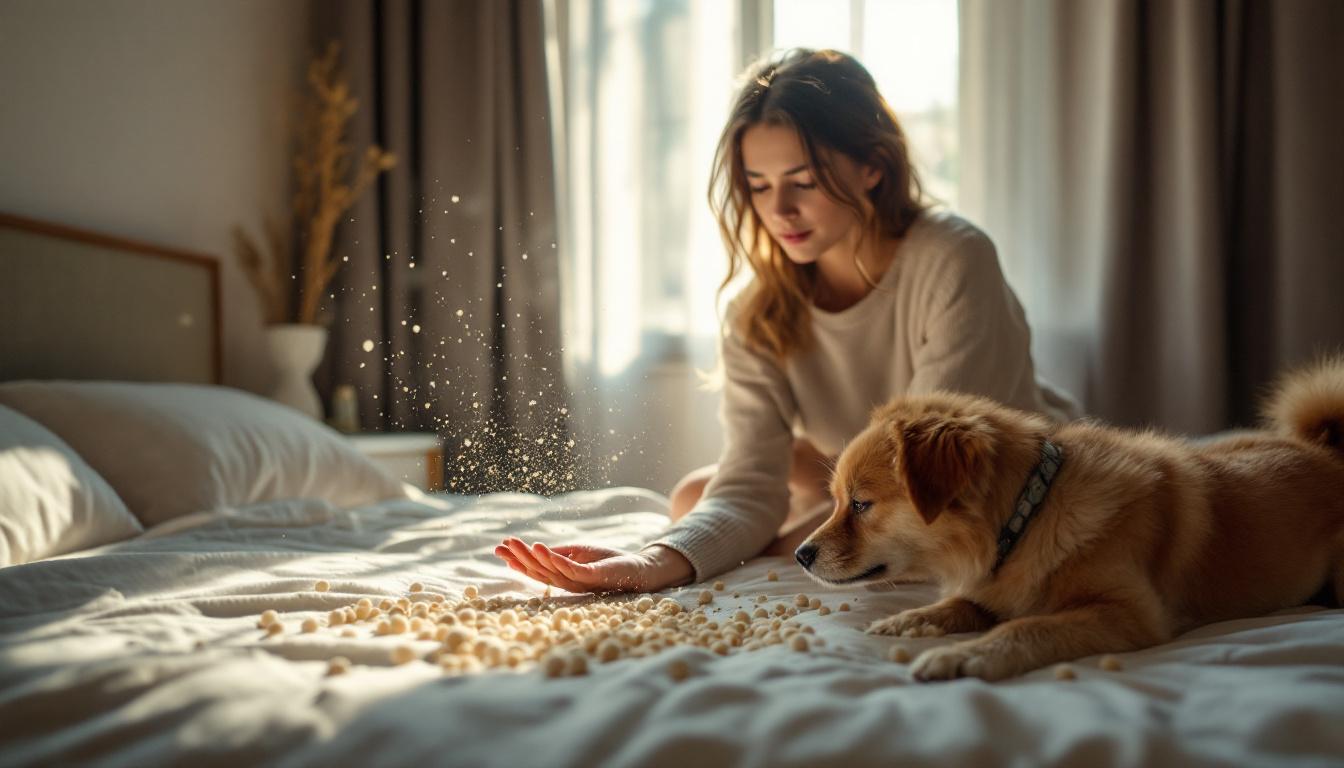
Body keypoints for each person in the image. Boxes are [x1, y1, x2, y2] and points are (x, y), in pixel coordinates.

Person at [494, 48, 1079, 594]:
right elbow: (750, 479)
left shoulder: (953, 257)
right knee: (695, 498)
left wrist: (753, 545)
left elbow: (934, 477)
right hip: (864, 491)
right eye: (759, 186)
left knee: (725, 516)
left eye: (803, 182)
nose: (779, 211)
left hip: (977, 484)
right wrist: (650, 562)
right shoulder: (755, 310)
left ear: (873, 168)